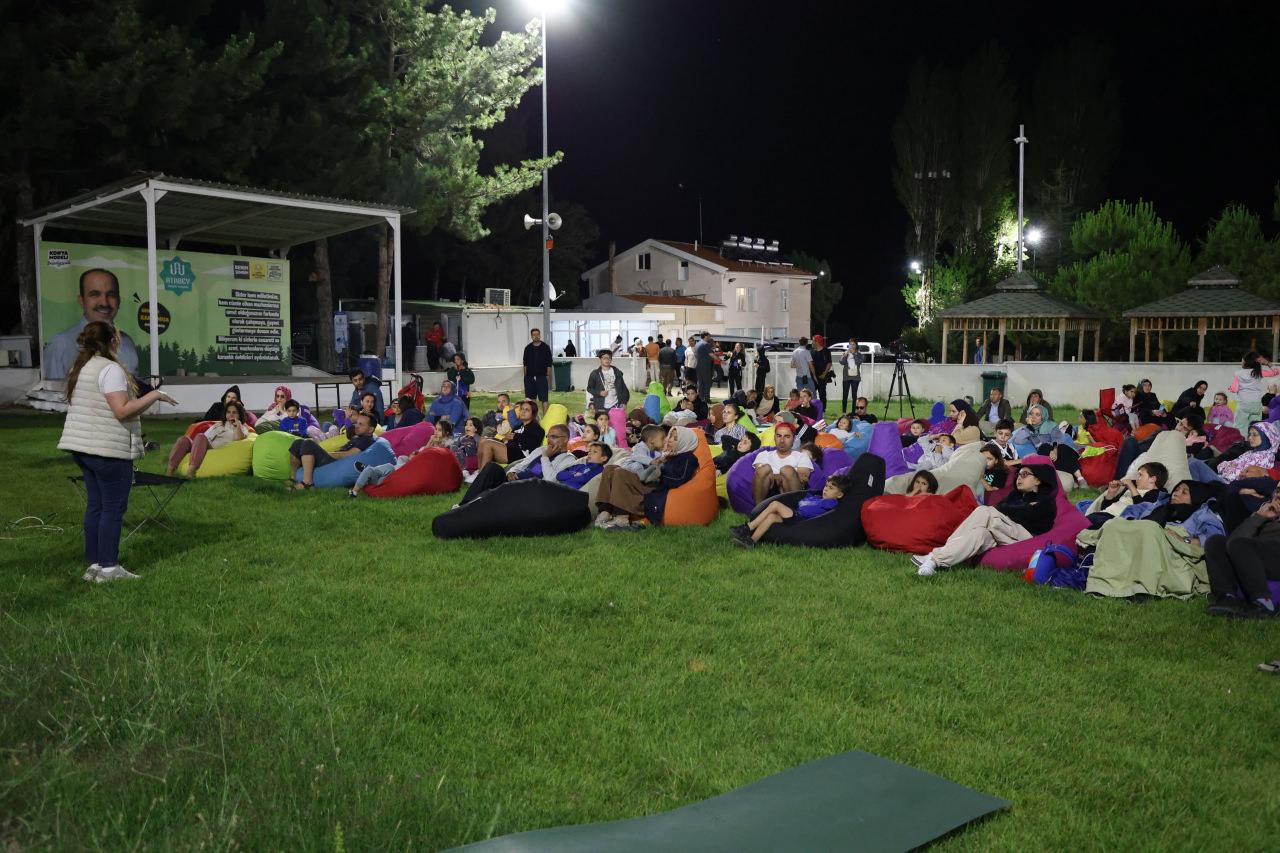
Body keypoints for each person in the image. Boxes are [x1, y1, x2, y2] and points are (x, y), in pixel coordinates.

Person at [58, 321, 177, 582]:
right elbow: (122, 410)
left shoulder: (82, 367)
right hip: (107, 450)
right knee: (112, 508)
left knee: (96, 506)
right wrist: (155, 395)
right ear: (114, 340)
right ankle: (110, 568)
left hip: (83, 449)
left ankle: (95, 566)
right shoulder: (110, 370)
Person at [911, 462, 1058, 577]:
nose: (1019, 477)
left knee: (984, 512)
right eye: (1019, 474)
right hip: (1003, 532)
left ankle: (934, 553)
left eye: (1025, 474)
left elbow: (1024, 514)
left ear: (1038, 480)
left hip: (1026, 539)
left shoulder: (1046, 500)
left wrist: (1011, 510)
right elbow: (1003, 508)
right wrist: (1015, 509)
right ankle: (932, 563)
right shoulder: (1016, 495)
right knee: (980, 534)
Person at [594, 425, 700, 529]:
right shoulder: (669, 453)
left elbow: (677, 480)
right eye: (670, 436)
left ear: (684, 442)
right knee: (610, 469)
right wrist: (664, 459)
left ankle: (621, 516)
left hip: (653, 489)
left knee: (620, 473)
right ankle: (605, 510)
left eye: (675, 438)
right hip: (647, 481)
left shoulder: (687, 458)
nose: (669, 440)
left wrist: (660, 467)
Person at [43, 268, 140, 381]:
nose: (104, 302)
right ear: (81, 301)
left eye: (111, 295)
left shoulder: (127, 342)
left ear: (119, 301)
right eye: (95, 294)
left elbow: (134, 391)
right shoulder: (61, 344)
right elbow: (53, 396)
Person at [1204, 488, 1280, 618]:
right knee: (1216, 541)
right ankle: (1227, 598)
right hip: (1258, 557)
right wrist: (1258, 517)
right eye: (1278, 491)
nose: (1279, 495)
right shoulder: (1263, 519)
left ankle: (1264, 603)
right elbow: (1233, 542)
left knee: (1241, 544)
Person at [461, 424, 578, 503]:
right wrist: (511, 472)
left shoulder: (568, 460)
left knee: (491, 494)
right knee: (493, 468)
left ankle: (475, 504)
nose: (549, 440)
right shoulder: (541, 449)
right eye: (548, 436)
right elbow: (521, 464)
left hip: (530, 491)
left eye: (554, 437)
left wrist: (545, 458)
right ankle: (465, 504)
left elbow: (551, 481)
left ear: (565, 439)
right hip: (514, 482)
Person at [733, 473, 849, 547]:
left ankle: (748, 528)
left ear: (839, 495)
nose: (826, 489)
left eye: (831, 488)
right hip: (796, 515)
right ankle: (751, 541)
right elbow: (804, 499)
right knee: (771, 517)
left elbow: (837, 511)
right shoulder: (817, 497)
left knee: (775, 504)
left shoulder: (831, 503)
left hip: (800, 519)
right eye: (826, 486)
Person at [288, 410, 378, 489]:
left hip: (335, 462)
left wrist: (326, 453)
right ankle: (293, 478)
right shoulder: (359, 437)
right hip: (334, 458)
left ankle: (307, 483)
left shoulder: (365, 440)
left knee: (308, 444)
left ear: (370, 430)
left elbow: (349, 454)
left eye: (361, 424)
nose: (356, 426)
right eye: (357, 423)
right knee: (298, 443)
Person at [165, 399, 251, 476]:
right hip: (202, 445)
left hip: (212, 447)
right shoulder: (219, 424)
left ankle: (191, 472)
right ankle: (169, 473)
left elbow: (238, 438)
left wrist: (238, 425)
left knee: (200, 436)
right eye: (228, 412)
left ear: (239, 415)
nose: (231, 415)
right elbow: (205, 437)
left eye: (234, 412)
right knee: (183, 440)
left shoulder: (242, 428)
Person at [474, 399, 544, 476]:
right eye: (522, 409)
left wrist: (515, 437)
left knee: (487, 444)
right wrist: (505, 439)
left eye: (527, 410)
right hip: (509, 449)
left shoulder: (537, 429)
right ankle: (479, 472)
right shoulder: (518, 427)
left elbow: (532, 445)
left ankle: (482, 476)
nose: (523, 411)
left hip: (520, 455)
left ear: (533, 414)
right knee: (483, 440)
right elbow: (511, 439)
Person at [751, 421, 812, 504]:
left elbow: (802, 479)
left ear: (793, 439)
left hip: (792, 492)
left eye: (787, 436)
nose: (782, 440)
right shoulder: (764, 455)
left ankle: (794, 509)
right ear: (774, 437)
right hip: (767, 491)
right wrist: (781, 477)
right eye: (779, 436)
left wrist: (779, 476)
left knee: (787, 470)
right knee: (764, 469)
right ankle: (758, 509)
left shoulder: (802, 457)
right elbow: (759, 476)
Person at [1230, 351, 1280, 426]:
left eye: (1242, 360)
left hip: (1243, 404)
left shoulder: (1238, 373)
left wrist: (1231, 388)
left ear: (1245, 361)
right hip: (1256, 404)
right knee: (1254, 426)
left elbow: (1234, 389)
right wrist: (1267, 363)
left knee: (1240, 427)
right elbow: (1276, 372)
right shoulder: (1258, 372)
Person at [522, 328, 554, 416]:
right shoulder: (527, 348)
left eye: (537, 334)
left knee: (544, 399)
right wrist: (525, 377)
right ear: (531, 336)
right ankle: (533, 418)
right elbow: (525, 364)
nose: (536, 336)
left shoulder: (545, 347)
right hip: (530, 378)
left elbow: (549, 363)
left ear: (540, 335)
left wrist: (548, 376)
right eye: (534, 335)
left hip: (542, 377)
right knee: (531, 400)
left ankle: (546, 418)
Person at [811, 335, 833, 409]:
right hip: (813, 376)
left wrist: (824, 374)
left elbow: (829, 363)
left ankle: (823, 409)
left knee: (822, 394)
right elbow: (811, 364)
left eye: (813, 340)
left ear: (817, 342)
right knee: (812, 393)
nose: (812, 342)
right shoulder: (812, 351)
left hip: (822, 376)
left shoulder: (826, 351)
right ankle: (813, 408)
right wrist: (814, 376)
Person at [840, 339, 862, 412]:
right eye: (850, 344)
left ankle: (853, 412)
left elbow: (858, 363)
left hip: (855, 377)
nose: (851, 346)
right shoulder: (846, 352)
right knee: (845, 395)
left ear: (856, 345)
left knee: (854, 395)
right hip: (846, 377)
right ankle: (844, 412)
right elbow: (841, 362)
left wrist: (854, 354)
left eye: (853, 344)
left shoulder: (859, 354)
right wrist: (845, 355)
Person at [694, 332, 715, 402]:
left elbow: (695, 355)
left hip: (698, 366)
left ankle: (700, 398)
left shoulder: (697, 344)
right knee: (707, 383)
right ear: (705, 336)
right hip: (705, 366)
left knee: (700, 383)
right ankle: (706, 398)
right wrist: (721, 360)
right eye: (709, 336)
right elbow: (712, 355)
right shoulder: (706, 344)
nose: (710, 337)